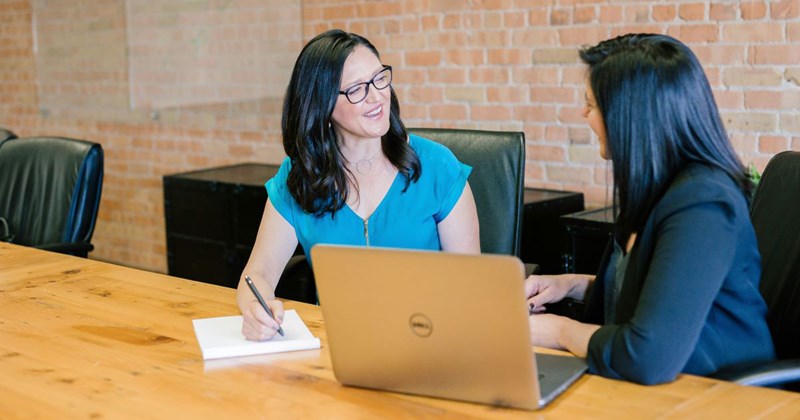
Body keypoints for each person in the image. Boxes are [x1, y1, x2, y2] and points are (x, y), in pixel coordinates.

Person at [525, 34, 775, 385]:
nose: (583, 114)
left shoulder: (703, 205)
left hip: (717, 392)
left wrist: (558, 331)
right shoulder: (656, 188)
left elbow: (646, 356)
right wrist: (571, 285)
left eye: (591, 104)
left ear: (631, 117)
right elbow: (656, 289)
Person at [237, 29, 480, 341]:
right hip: (336, 345)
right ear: (322, 106)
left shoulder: (437, 167)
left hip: (428, 339)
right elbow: (257, 275)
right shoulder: (298, 178)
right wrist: (255, 312)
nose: (377, 96)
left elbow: (471, 284)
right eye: (356, 89)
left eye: (380, 78)